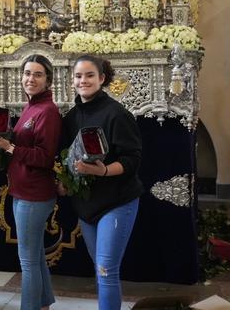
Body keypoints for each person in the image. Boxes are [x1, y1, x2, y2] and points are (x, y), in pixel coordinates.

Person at [60, 54, 142, 310]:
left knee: (106, 270)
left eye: (89, 75)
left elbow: (133, 160)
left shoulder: (117, 114)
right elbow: (65, 156)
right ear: (72, 80)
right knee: (100, 270)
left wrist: (103, 171)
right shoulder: (71, 117)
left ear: (102, 78)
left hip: (116, 201)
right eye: (78, 76)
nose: (83, 80)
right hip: (87, 206)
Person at [0, 55, 60, 310]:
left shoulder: (47, 111)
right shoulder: (32, 107)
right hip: (24, 191)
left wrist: (8, 147)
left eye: (37, 74)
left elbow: (44, 157)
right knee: (35, 257)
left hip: (34, 194)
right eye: (27, 73)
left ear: (48, 79)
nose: (30, 79)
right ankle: (44, 304)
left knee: (27, 262)